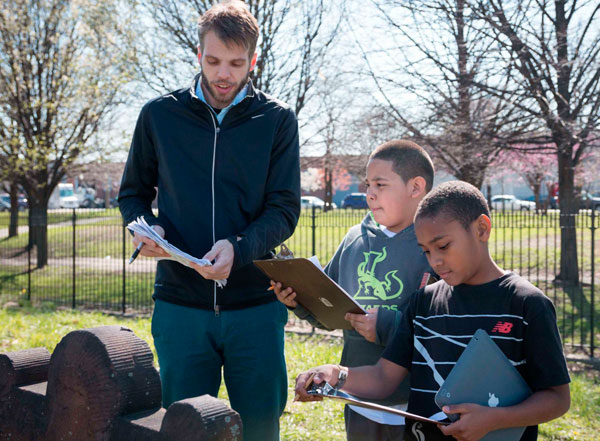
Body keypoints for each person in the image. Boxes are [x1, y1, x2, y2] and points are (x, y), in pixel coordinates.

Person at [117, 2, 300, 440]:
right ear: (199, 54)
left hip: (255, 308)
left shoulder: (277, 121)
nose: (224, 74)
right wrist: (147, 227)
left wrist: (238, 247)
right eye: (214, 60)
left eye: (237, 64)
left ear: (253, 61)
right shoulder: (158, 115)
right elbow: (132, 195)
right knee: (180, 429)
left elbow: (284, 210)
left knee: (259, 429)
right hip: (180, 308)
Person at [294, 181, 571, 441]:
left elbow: (558, 398)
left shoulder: (526, 304)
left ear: (482, 229)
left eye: (443, 246)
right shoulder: (422, 304)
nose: (435, 261)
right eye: (425, 251)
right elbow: (383, 378)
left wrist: (496, 419)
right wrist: (334, 374)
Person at [274, 140, 436, 441]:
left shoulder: (435, 244)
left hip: (415, 408)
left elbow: (447, 327)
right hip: (357, 401)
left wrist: (388, 325)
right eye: (367, 184)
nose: (369, 193)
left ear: (415, 187)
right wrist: (300, 301)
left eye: (380, 184)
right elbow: (333, 312)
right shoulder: (354, 239)